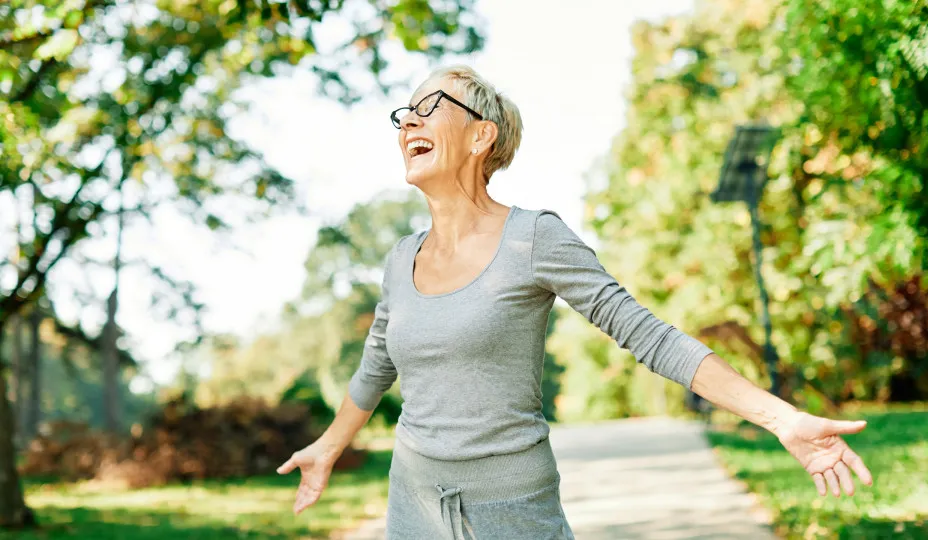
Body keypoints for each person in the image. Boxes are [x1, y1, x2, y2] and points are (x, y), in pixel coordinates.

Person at [277, 65, 873, 539]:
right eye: (404, 113)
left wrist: (782, 419)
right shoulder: (399, 258)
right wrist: (327, 448)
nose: (409, 120)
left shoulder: (534, 237)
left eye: (430, 106)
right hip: (413, 509)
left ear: (481, 135)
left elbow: (647, 334)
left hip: (513, 511)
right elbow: (375, 367)